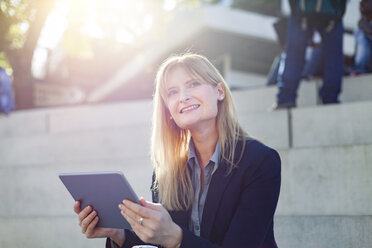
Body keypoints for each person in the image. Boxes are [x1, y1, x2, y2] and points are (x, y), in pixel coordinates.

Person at [73, 53, 281, 248]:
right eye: (172, 92)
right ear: (169, 110)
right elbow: (159, 238)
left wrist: (175, 237)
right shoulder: (167, 172)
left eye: (194, 84)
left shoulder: (261, 161)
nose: (183, 97)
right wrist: (118, 234)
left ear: (219, 92)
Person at [272, 0, 347, 110]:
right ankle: (331, 99)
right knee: (333, 58)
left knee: (294, 56)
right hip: (332, 12)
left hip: (302, 11)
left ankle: (286, 98)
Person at [352, 0, 372, 75]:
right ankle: (358, 71)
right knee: (360, 33)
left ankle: (359, 69)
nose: (361, 4)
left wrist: (369, 30)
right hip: (367, 61)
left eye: (365, 1)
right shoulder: (361, 25)